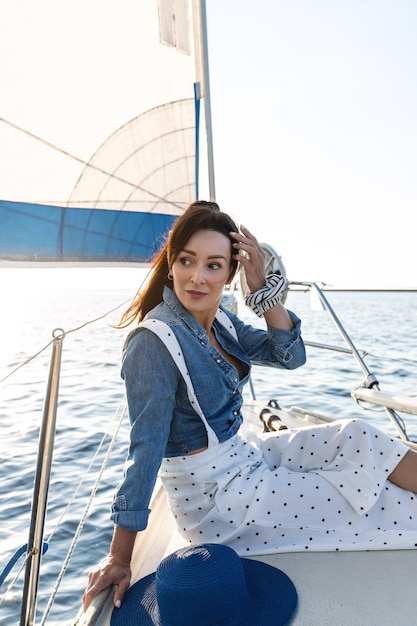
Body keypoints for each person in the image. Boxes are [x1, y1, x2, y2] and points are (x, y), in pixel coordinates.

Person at [83, 200, 417, 613]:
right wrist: (119, 556)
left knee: (357, 434)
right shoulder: (154, 341)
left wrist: (264, 292)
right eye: (187, 261)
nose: (198, 278)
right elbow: (144, 451)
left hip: (246, 455)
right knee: (377, 502)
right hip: (214, 500)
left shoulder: (218, 319)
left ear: (230, 273)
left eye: (214, 265)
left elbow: (289, 356)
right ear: (171, 264)